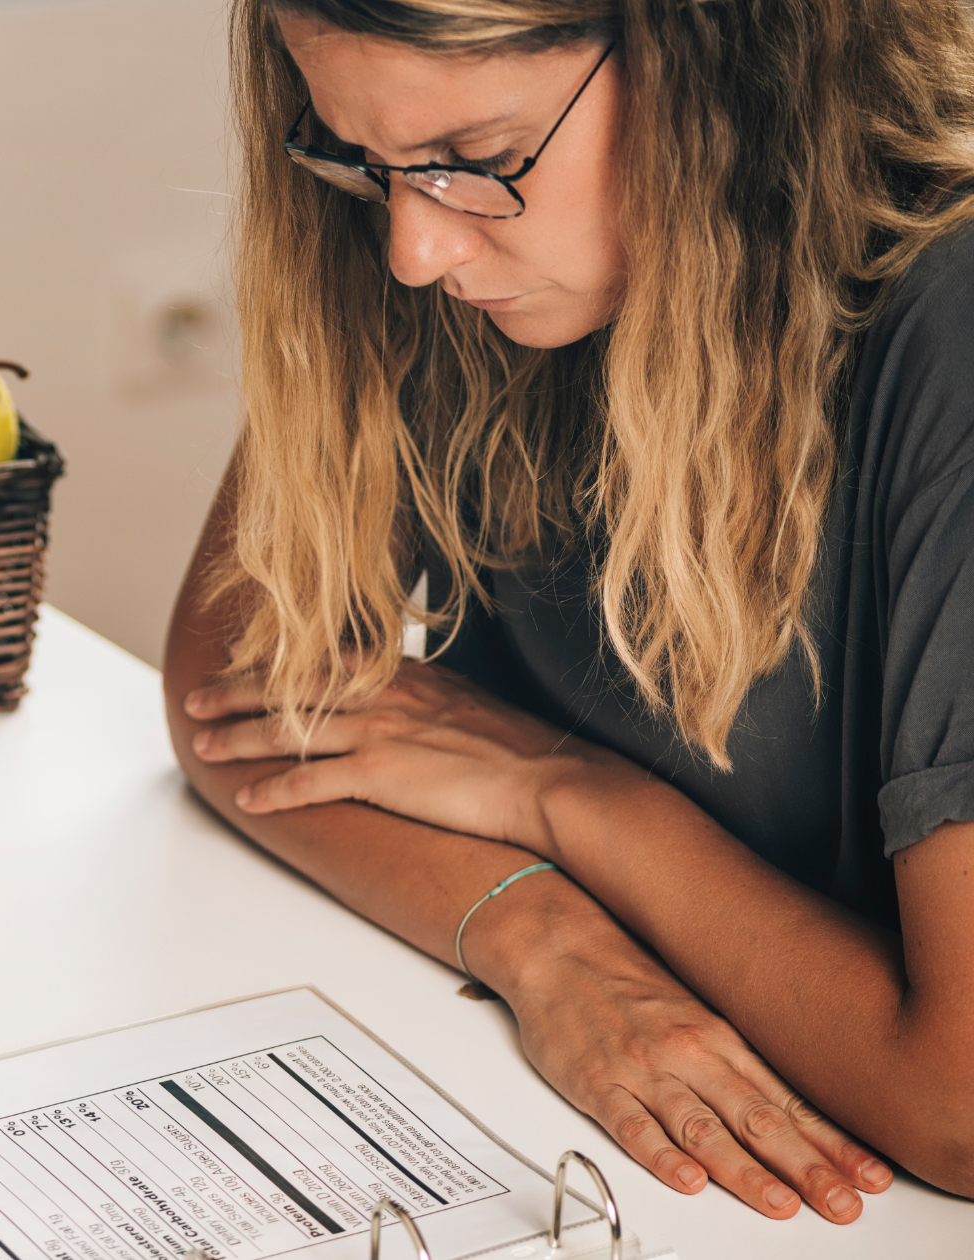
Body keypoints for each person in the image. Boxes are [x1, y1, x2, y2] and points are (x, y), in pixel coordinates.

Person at [165, 0, 974, 1224]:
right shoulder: (450, 233)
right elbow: (236, 684)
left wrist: (566, 797)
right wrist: (531, 933)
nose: (411, 254)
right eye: (360, 161)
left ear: (728, 57)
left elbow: (960, 1111)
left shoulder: (948, 316)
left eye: (476, 163)